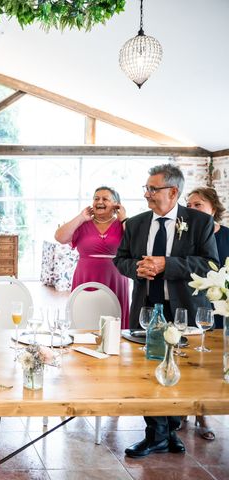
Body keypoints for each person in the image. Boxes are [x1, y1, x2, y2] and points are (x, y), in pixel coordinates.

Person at [113, 164, 218, 458]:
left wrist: (165, 264)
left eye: (152, 189)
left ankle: (168, 431)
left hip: (185, 309)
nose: (147, 194)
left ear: (173, 192)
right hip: (147, 309)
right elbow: (120, 260)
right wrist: (137, 268)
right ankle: (157, 434)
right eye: (146, 188)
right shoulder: (135, 224)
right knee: (149, 369)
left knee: (182, 372)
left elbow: (210, 264)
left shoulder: (198, 222)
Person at [185, 186, 228, 441]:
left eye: (198, 205)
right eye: (188, 206)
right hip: (194, 303)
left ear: (213, 208)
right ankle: (181, 411)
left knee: (213, 361)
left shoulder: (227, 236)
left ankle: (204, 413)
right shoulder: (186, 237)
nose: (192, 209)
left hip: (223, 305)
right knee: (191, 357)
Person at [54, 186, 130, 328]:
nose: (99, 201)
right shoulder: (82, 224)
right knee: (84, 315)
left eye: (105, 199)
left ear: (116, 205)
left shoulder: (123, 224)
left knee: (113, 317)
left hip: (115, 277)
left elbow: (136, 244)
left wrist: (124, 219)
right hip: (86, 276)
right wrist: (81, 217)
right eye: (96, 198)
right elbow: (60, 237)